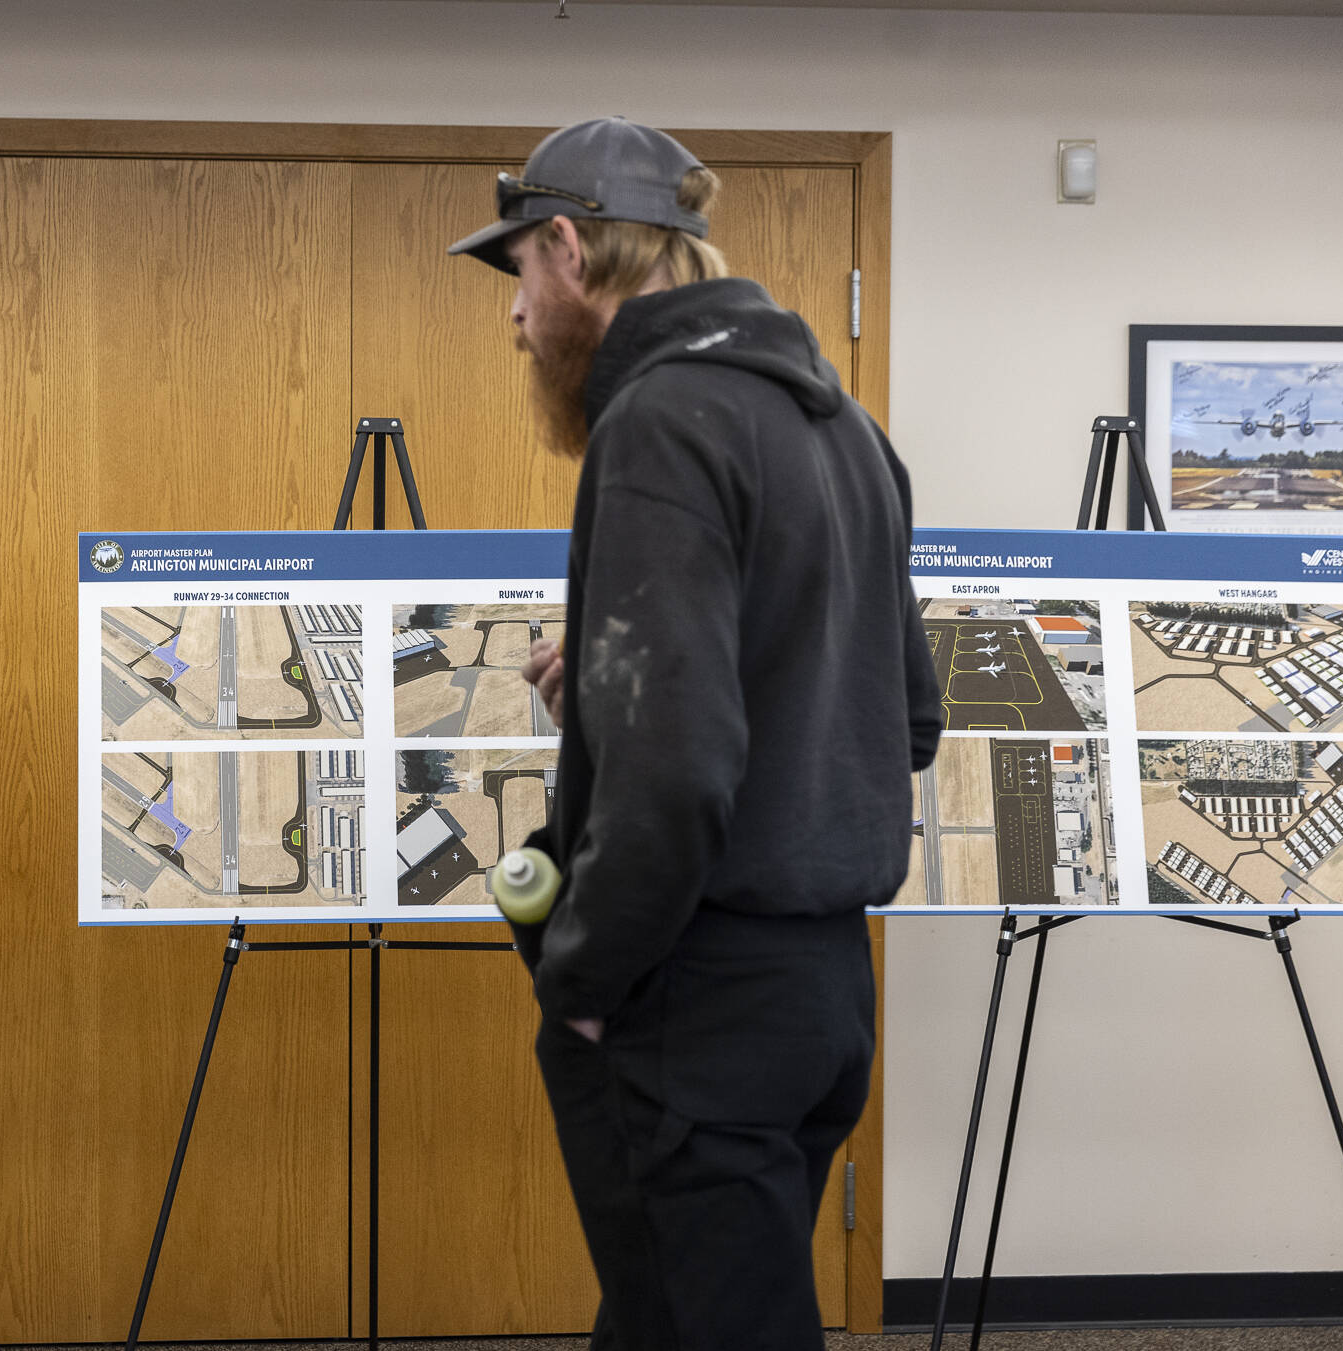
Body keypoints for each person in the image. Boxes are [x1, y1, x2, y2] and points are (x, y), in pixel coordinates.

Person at [448, 117, 943, 1349]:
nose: (515, 317)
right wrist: (619, 692)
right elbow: (907, 718)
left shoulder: (659, 421)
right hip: (823, 995)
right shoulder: (850, 433)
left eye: (516, 276)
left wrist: (580, 980)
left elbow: (674, 777)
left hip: (692, 1000)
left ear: (567, 248)